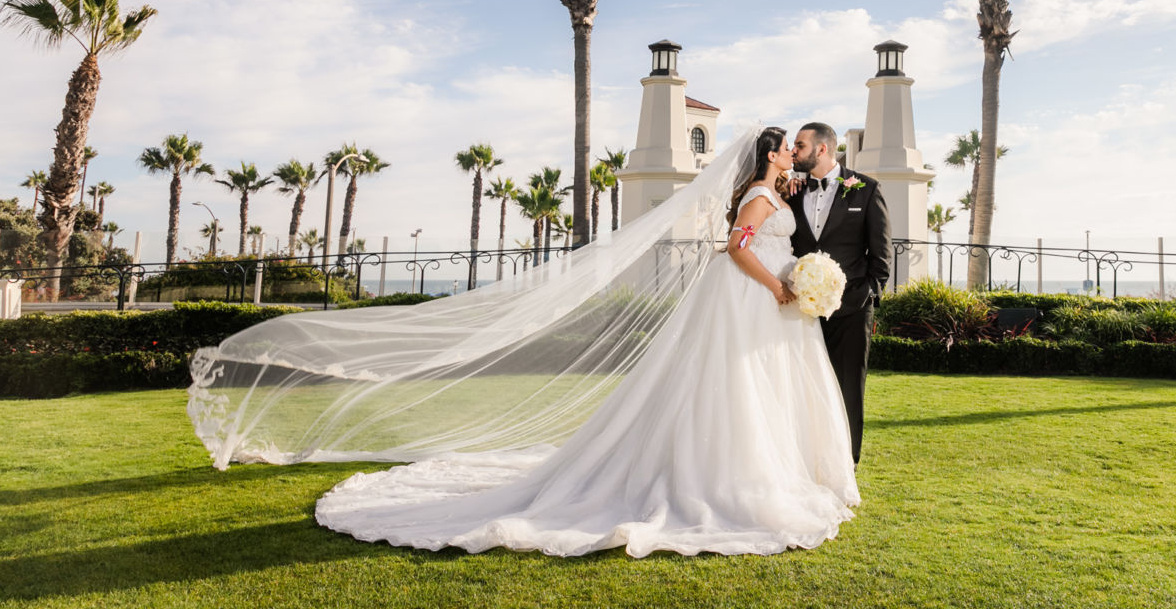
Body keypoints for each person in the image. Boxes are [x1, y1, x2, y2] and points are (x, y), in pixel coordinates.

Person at [306, 126, 860, 557]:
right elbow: (739, 247)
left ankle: (770, 469)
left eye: (796, 148)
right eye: (788, 148)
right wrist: (778, 287)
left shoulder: (770, 191)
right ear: (769, 155)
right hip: (751, 296)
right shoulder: (760, 196)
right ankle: (733, 479)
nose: (793, 154)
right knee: (735, 384)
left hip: (762, 303)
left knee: (759, 384)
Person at [786, 122, 892, 465]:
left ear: (821, 149)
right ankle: (806, 460)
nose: (793, 152)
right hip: (800, 313)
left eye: (799, 145)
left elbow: (881, 258)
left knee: (848, 388)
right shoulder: (792, 192)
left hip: (851, 311)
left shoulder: (866, 190)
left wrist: (867, 296)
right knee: (803, 387)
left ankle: (847, 463)